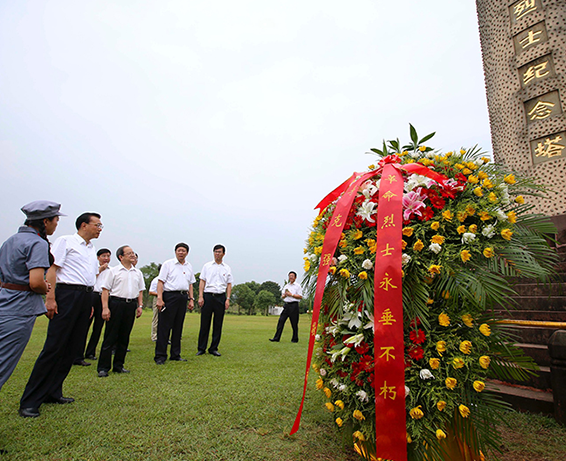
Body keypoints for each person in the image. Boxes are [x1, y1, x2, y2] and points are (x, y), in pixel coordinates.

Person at [19, 212, 102, 418]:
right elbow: (53, 270)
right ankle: (30, 400)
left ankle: (53, 392)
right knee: (54, 347)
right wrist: (50, 298)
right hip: (66, 295)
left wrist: (89, 303)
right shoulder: (65, 241)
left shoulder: (91, 249)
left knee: (72, 348)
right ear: (84, 225)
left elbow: (88, 277)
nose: (100, 228)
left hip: (84, 297)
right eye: (97, 225)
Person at [0, 201, 64, 392]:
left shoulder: (11, 240)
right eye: (55, 220)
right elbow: (35, 282)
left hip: (4, 301)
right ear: (45, 221)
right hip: (19, 308)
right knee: (4, 362)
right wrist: (45, 286)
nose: (56, 224)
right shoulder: (37, 243)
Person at [97, 246, 144, 377]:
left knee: (124, 336)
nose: (132, 255)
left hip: (131, 305)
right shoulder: (113, 271)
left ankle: (119, 365)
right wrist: (105, 308)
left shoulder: (137, 273)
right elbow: (105, 290)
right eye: (129, 253)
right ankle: (103, 367)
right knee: (110, 336)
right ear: (121, 257)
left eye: (133, 253)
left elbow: (140, 290)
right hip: (116, 303)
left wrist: (139, 306)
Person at [154, 243, 195, 364]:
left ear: (187, 253)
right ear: (175, 252)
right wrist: (160, 298)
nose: (181, 252)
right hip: (169, 296)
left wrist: (191, 299)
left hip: (183, 297)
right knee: (164, 327)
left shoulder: (189, 266)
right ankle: (160, 356)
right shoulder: (168, 264)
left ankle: (175, 354)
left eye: (183, 251)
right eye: (179, 250)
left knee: (178, 326)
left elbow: (190, 284)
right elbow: (160, 282)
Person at [197, 244, 233, 357]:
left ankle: (213, 348)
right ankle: (201, 348)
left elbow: (229, 284)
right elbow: (202, 281)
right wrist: (200, 296)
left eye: (219, 252)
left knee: (218, 324)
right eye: (215, 252)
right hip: (208, 296)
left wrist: (227, 299)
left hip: (220, 297)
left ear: (224, 254)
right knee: (204, 323)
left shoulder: (226, 268)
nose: (217, 254)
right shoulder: (207, 266)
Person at [82, 248, 111, 361]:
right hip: (92, 295)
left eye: (108, 256)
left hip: (104, 298)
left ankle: (90, 352)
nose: (106, 258)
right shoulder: (92, 268)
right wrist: (100, 270)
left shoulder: (111, 270)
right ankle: (78, 352)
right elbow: (89, 278)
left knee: (98, 327)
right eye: (103, 256)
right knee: (85, 325)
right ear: (98, 257)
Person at [269, 271, 303, 343]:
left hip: (294, 305)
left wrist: (292, 295)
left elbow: (300, 296)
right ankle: (276, 338)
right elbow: (283, 296)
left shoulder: (297, 286)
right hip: (286, 305)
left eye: (292, 276)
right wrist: (285, 295)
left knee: (294, 323)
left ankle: (295, 339)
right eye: (290, 276)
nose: (291, 277)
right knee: (281, 321)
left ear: (295, 277)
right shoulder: (286, 286)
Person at [149, 265, 161, 342]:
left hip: (167, 299)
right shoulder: (156, 280)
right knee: (156, 318)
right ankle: (154, 336)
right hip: (157, 299)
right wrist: (159, 294)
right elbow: (151, 292)